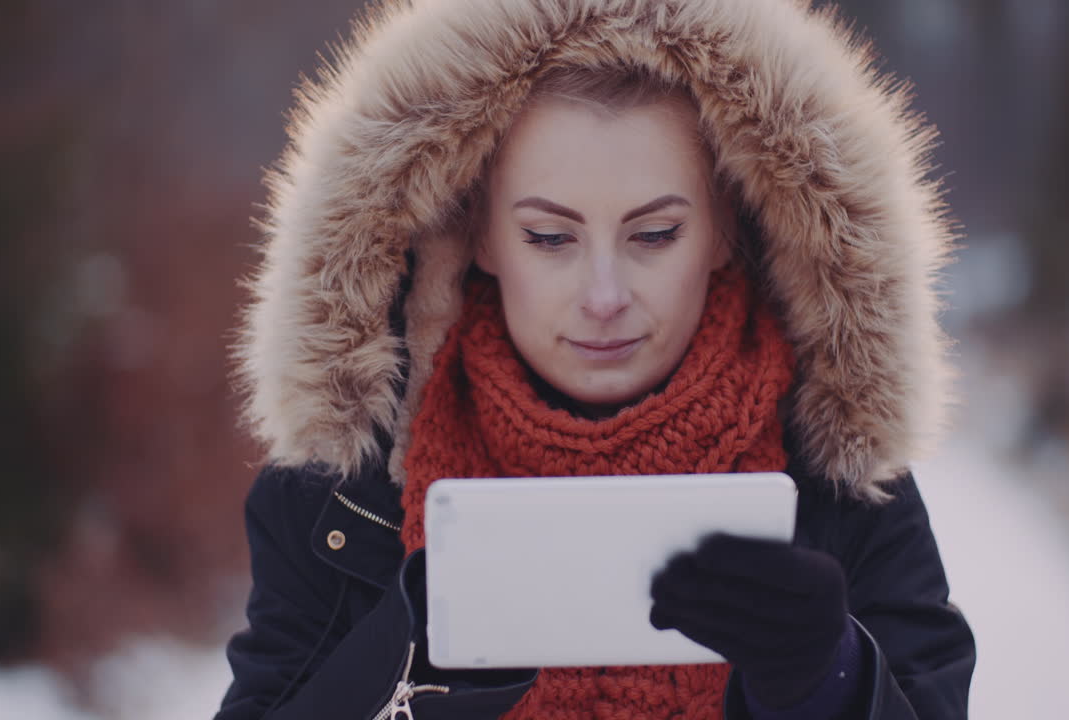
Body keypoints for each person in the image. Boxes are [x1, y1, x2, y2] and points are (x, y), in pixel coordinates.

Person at [217, 0, 976, 718]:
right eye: (550, 238)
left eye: (654, 235)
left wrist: (832, 681)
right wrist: (409, 652)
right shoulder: (345, 493)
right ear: (480, 235)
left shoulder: (840, 483)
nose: (604, 296)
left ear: (724, 231)